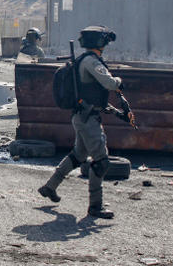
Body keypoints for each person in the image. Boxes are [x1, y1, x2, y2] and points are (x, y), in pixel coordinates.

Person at [38, 25, 133, 219]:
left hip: (84, 116)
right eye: (104, 40)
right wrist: (119, 81)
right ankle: (95, 206)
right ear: (99, 42)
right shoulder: (91, 61)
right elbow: (108, 83)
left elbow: (96, 99)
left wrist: (118, 113)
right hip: (87, 120)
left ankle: (49, 187)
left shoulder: (86, 60)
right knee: (101, 162)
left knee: (78, 156)